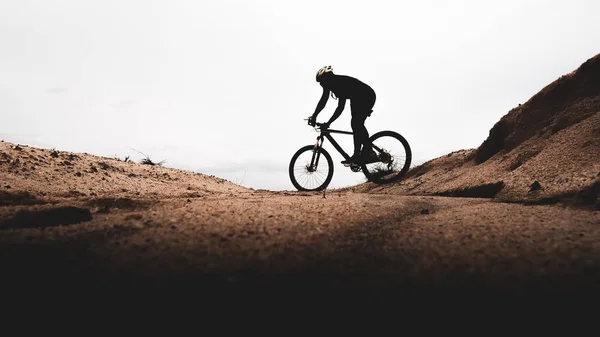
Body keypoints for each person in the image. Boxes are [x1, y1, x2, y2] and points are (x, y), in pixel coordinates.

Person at [309, 65, 378, 165]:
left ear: (327, 79)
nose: (321, 85)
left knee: (356, 123)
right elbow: (323, 101)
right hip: (359, 96)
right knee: (356, 124)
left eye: (321, 82)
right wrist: (314, 115)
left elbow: (340, 108)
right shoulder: (332, 84)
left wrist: (328, 123)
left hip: (365, 95)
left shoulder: (339, 83)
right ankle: (358, 155)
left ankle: (369, 153)